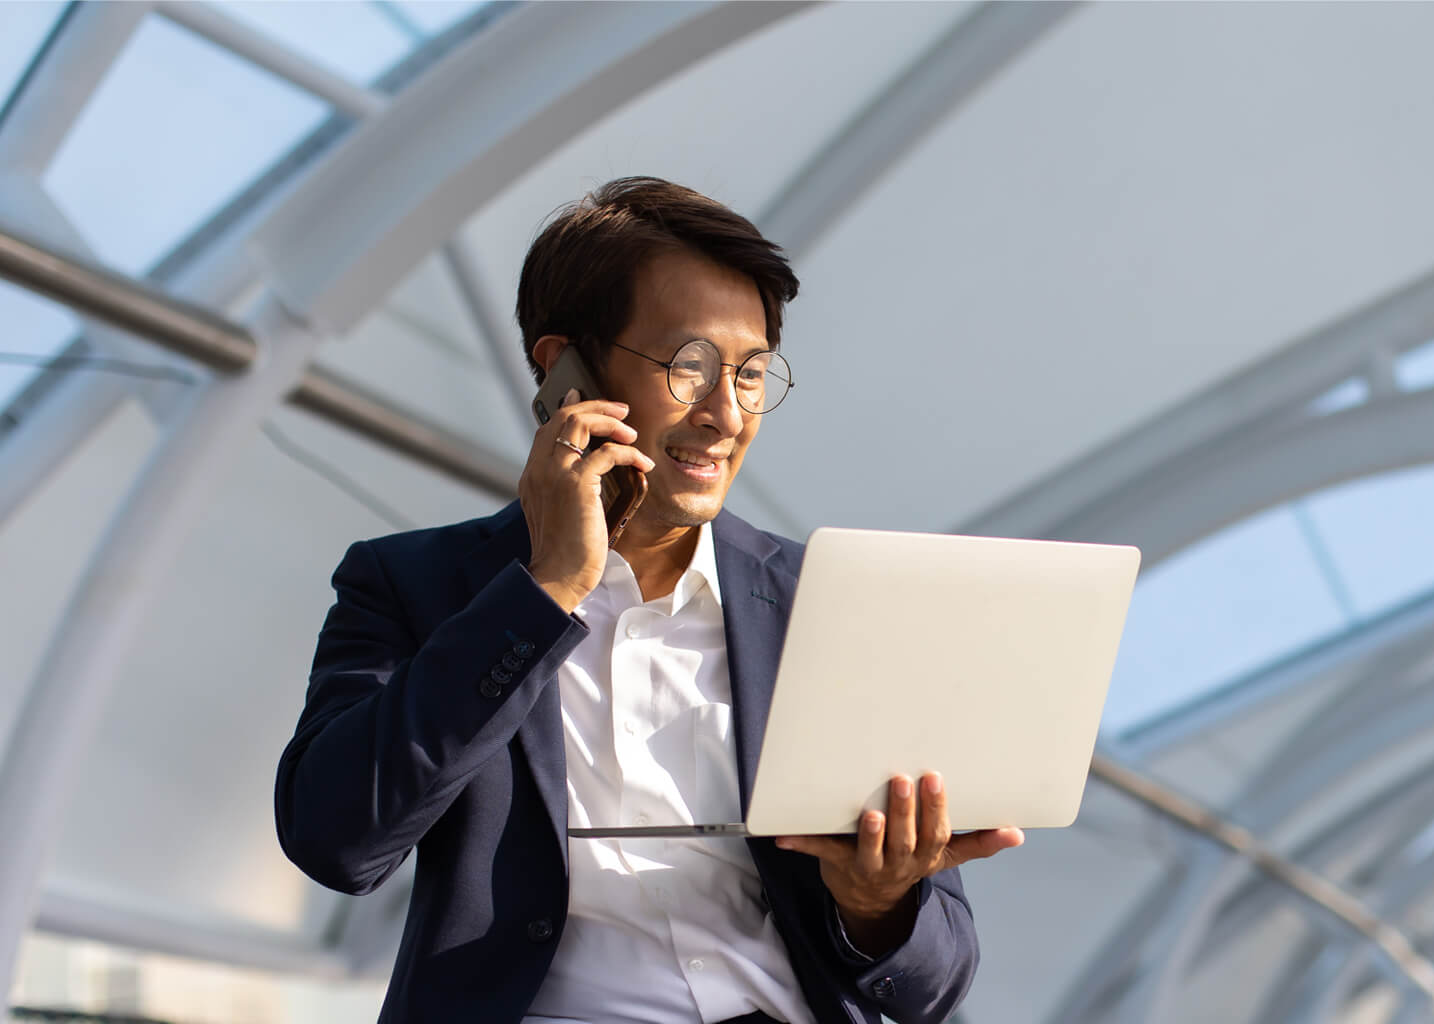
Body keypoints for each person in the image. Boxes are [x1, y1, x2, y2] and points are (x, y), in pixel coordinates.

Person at [275, 177, 1023, 1024]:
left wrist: (877, 904)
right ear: (564, 369)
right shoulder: (415, 588)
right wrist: (545, 590)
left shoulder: (832, 606)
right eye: (690, 365)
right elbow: (335, 840)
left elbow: (938, 980)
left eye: (750, 374)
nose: (725, 414)